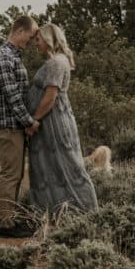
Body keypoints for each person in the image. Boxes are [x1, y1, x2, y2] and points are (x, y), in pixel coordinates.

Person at [27, 23, 98, 215]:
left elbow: (50, 97)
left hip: (53, 122)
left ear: (49, 39)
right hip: (49, 122)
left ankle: (86, 210)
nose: (36, 43)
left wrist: (34, 120)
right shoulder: (56, 61)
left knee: (68, 165)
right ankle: (54, 212)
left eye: (39, 39)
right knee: (51, 167)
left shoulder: (57, 62)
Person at [0, 15, 39, 237]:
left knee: (15, 174)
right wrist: (29, 121)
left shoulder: (13, 57)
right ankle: (4, 224)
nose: (33, 39)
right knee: (10, 174)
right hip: (8, 127)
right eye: (31, 34)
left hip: (14, 125)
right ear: (19, 31)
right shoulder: (3, 57)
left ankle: (10, 219)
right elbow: (12, 96)